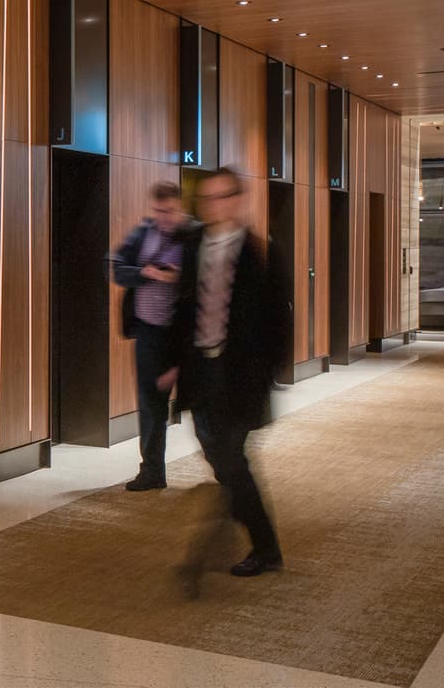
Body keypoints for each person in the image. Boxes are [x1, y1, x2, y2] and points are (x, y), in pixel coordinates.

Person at [159, 166, 291, 579]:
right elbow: (181, 310)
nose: (213, 206)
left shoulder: (258, 252)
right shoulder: (193, 243)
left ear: (237, 200)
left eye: (221, 197)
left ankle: (265, 548)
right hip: (201, 371)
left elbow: (278, 320)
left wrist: (267, 374)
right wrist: (171, 365)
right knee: (214, 450)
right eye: (207, 199)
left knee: (233, 460)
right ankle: (239, 508)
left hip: (241, 376)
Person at [110, 181, 192, 491]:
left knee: (200, 400)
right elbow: (116, 268)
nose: (163, 218)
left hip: (184, 333)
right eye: (158, 211)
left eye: (169, 211)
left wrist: (177, 276)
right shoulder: (144, 233)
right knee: (150, 403)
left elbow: (205, 280)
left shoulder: (193, 236)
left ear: (180, 208)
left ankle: (224, 465)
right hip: (148, 332)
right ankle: (152, 471)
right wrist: (145, 273)